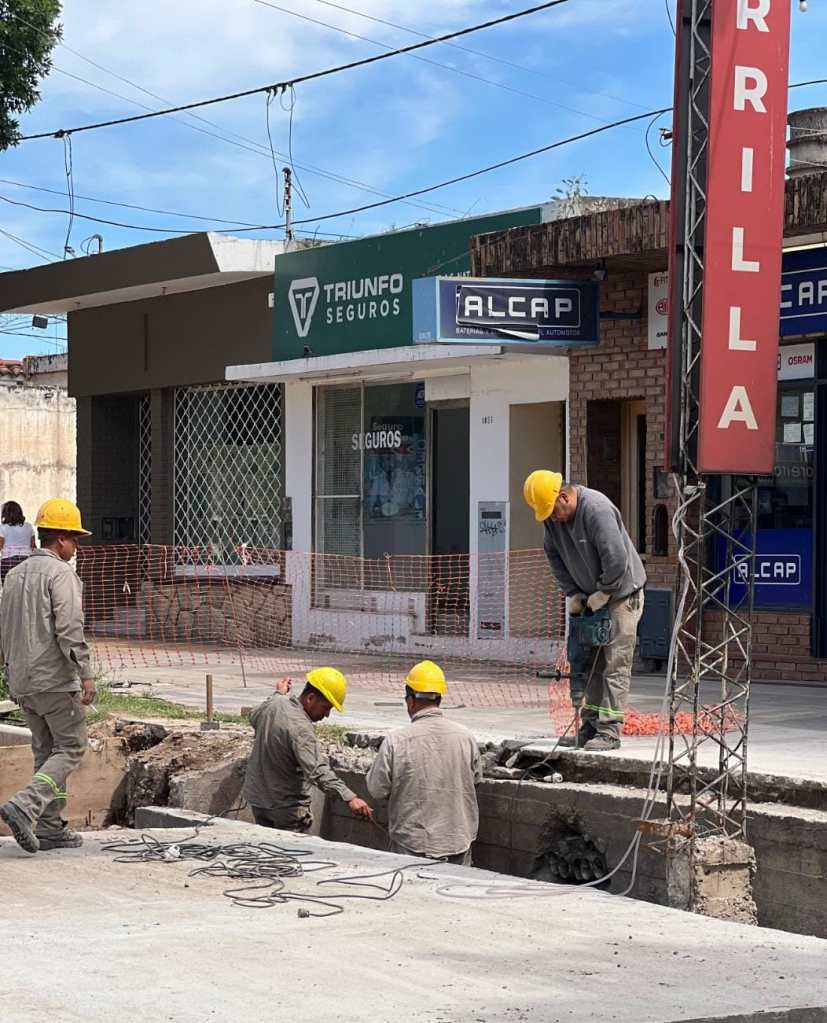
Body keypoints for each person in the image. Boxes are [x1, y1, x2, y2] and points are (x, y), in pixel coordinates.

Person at [524, 470, 646, 752]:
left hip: (621, 595)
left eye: (554, 511)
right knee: (589, 663)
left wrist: (605, 591)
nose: (553, 519)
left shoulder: (596, 509)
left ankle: (609, 730)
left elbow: (616, 558)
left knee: (615, 664)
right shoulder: (552, 519)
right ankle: (590, 726)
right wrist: (574, 593)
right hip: (590, 596)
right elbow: (554, 557)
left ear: (564, 497)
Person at [0, 499, 95, 854]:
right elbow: (69, 628)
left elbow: (3, 628)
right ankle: (24, 806)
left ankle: (51, 828)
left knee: (46, 753)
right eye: (75, 539)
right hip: (53, 680)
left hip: (22, 681)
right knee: (71, 747)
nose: (77, 547)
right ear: (61, 538)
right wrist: (86, 674)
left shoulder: (13, 575)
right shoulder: (61, 574)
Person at [366, 660, 482, 864]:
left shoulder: (396, 740)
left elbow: (377, 789)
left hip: (411, 844)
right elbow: (476, 781)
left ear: (410, 700)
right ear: (439, 698)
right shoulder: (466, 738)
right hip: (457, 842)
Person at [242, 667, 373, 832]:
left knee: (266, 845)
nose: (327, 715)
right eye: (326, 707)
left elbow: (254, 716)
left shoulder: (275, 703)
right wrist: (349, 798)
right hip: (286, 809)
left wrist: (278, 694)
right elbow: (317, 770)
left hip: (258, 802)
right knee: (289, 848)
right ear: (311, 698)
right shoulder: (302, 728)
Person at [0, 501, 36, 583]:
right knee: (25, 587)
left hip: (8, 561)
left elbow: (0, 546)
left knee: (8, 587)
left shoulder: (3, 528)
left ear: (5, 513)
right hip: (26, 560)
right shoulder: (28, 526)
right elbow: (33, 546)